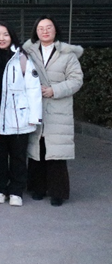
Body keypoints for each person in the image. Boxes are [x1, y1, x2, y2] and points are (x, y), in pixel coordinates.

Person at [23, 16, 84, 207]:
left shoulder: (67, 54)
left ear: (55, 30)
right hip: (35, 106)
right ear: (36, 31)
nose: (45, 31)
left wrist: (54, 90)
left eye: (49, 27)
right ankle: (38, 188)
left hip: (58, 108)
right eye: (41, 28)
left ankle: (58, 192)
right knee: (37, 148)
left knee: (56, 151)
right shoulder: (28, 52)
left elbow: (76, 80)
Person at [0, 22, 42, 207]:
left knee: (18, 156)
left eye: (5, 34)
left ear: (11, 36)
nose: (1, 38)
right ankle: (0, 188)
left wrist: (34, 117)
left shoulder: (22, 58)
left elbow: (33, 89)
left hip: (19, 117)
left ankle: (16, 190)